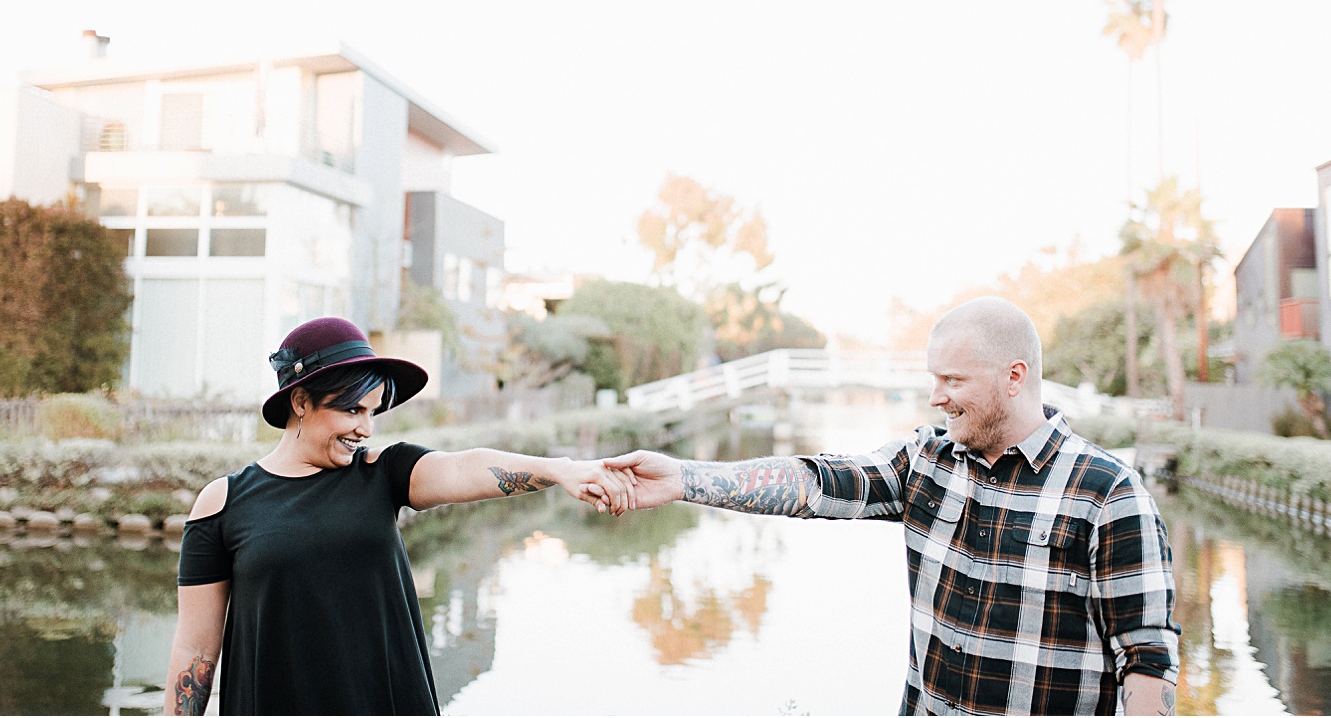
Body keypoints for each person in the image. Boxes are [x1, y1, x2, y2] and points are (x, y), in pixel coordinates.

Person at [606, 297, 1180, 717]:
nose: (936, 396)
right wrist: (683, 477)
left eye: (952, 379)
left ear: (1014, 377)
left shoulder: (1110, 495)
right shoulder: (925, 462)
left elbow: (1147, 659)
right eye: (934, 378)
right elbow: (817, 483)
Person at [163, 316, 633, 716]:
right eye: (351, 409)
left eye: (373, 411)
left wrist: (560, 471)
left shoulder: (382, 473)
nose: (365, 428)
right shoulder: (223, 503)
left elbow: (463, 467)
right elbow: (196, 651)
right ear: (301, 401)